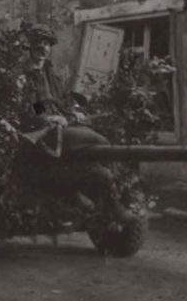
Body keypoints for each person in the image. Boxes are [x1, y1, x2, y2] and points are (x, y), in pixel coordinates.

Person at [22, 24, 136, 224]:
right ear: (30, 46)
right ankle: (88, 196)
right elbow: (25, 106)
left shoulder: (51, 75)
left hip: (60, 126)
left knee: (93, 142)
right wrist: (47, 117)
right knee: (94, 140)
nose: (43, 48)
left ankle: (96, 194)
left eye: (47, 44)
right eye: (38, 43)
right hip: (38, 131)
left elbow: (62, 100)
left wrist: (73, 112)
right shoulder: (23, 76)